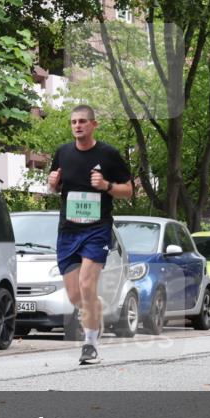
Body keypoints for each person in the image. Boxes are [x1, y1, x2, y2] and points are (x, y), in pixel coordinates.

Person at [48, 104, 133, 364]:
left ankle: (90, 345)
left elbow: (128, 190)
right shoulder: (63, 153)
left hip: (97, 230)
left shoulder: (108, 155)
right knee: (76, 295)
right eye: (74, 122)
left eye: (83, 121)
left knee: (86, 285)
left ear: (93, 124)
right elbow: (54, 189)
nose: (77, 126)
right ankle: (94, 310)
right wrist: (52, 184)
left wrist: (106, 186)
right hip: (68, 231)